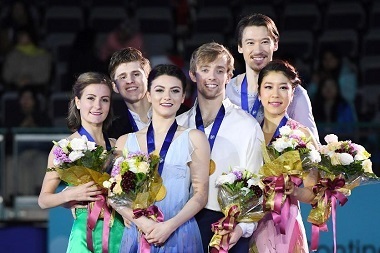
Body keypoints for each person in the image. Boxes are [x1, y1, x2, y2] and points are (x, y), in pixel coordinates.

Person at [176, 42, 264, 253]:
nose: (212, 77)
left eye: (220, 70)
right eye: (205, 70)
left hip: (228, 228)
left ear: (229, 75)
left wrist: (242, 228)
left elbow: (258, 184)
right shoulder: (178, 125)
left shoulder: (247, 126)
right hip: (182, 224)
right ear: (192, 74)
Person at [112, 64, 210, 252]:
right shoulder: (125, 142)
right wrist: (143, 224)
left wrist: (169, 226)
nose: (167, 97)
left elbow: (200, 194)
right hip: (138, 233)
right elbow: (115, 196)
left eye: (175, 91)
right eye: (159, 90)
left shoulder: (194, 138)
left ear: (183, 97)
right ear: (148, 94)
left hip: (179, 232)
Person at [38, 72, 124, 252]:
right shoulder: (63, 148)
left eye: (105, 100)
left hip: (120, 232)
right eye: (90, 98)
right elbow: (43, 200)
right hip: (85, 236)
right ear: (77, 102)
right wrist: (70, 195)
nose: (97, 106)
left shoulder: (120, 146)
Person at [251, 60, 319, 253]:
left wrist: (294, 192)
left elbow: (313, 192)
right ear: (259, 92)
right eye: (268, 87)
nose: (275, 94)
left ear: (292, 92)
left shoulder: (302, 135)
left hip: (286, 226)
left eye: (283, 87)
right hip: (250, 224)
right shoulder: (246, 130)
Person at [225, 13, 319, 142]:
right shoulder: (228, 90)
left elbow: (313, 151)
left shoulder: (296, 93)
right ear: (240, 47)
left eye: (264, 42)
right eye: (250, 43)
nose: (257, 50)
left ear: (275, 44)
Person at [107, 47, 152, 138]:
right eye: (123, 77)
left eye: (136, 74)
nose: (130, 81)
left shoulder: (178, 115)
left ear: (149, 78)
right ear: (115, 87)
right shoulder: (112, 132)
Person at [1, 27, 52, 93]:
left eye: (23, 35)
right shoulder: (11, 55)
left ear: (31, 36)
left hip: (37, 90)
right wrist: (18, 80)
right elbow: (6, 76)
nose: (20, 37)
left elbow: (45, 77)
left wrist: (30, 80)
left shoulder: (43, 55)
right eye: (19, 35)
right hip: (15, 89)